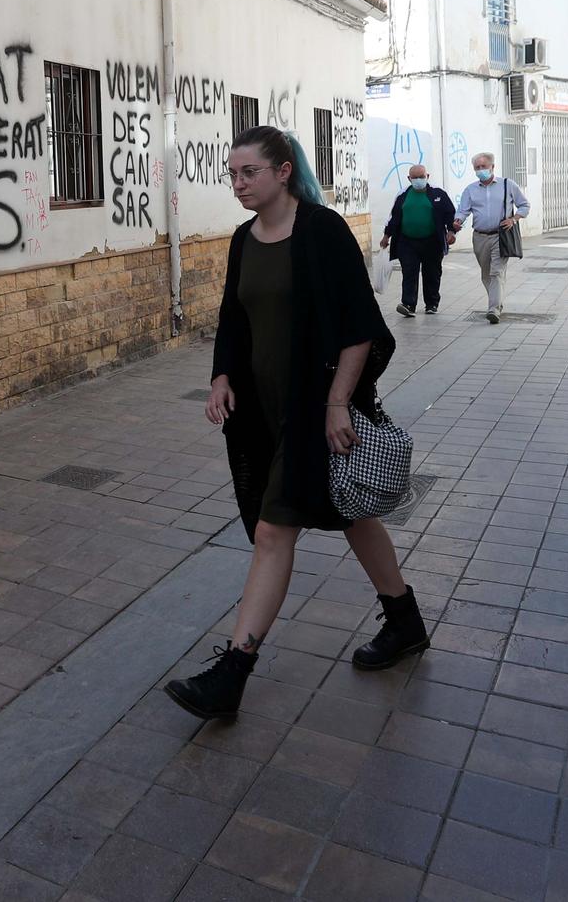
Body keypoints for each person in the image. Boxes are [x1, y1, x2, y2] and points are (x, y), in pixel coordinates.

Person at [164, 125, 428, 723]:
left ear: (283, 171)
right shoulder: (243, 239)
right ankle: (405, 621)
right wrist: (221, 378)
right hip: (262, 414)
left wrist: (338, 403)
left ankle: (231, 674)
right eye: (232, 174)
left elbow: (360, 326)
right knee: (351, 512)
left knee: (272, 531)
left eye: (249, 172)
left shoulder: (322, 231)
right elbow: (235, 318)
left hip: (314, 412)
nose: (238, 184)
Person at [452, 154, 528, 324]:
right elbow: (463, 210)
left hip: (500, 236)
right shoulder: (470, 189)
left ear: (492, 167)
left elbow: (524, 205)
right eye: (477, 168)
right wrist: (458, 221)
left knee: (496, 272)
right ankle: (497, 302)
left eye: (483, 166)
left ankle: (493, 309)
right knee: (486, 274)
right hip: (479, 237)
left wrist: (514, 219)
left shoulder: (508, 185)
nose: (481, 170)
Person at [379, 164, 458, 317]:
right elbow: (394, 217)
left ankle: (432, 303)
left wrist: (451, 231)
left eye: (421, 177)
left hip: (432, 241)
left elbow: (449, 213)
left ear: (427, 176)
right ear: (409, 179)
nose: (418, 180)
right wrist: (386, 236)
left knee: (432, 273)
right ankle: (408, 304)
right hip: (407, 242)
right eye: (414, 177)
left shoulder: (438, 194)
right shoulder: (402, 195)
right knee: (409, 272)